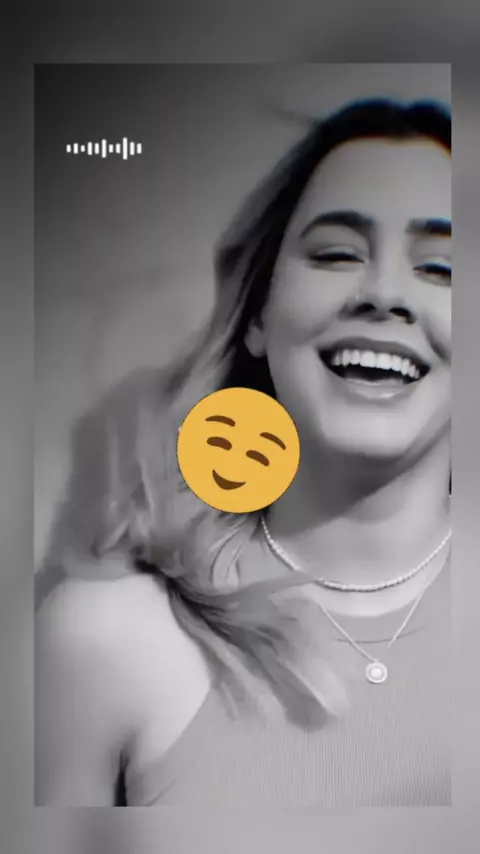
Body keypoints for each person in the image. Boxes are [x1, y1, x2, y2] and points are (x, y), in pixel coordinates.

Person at [35, 97, 452, 807]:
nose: (384, 293)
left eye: (442, 267)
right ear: (258, 314)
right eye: (336, 254)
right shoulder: (105, 638)